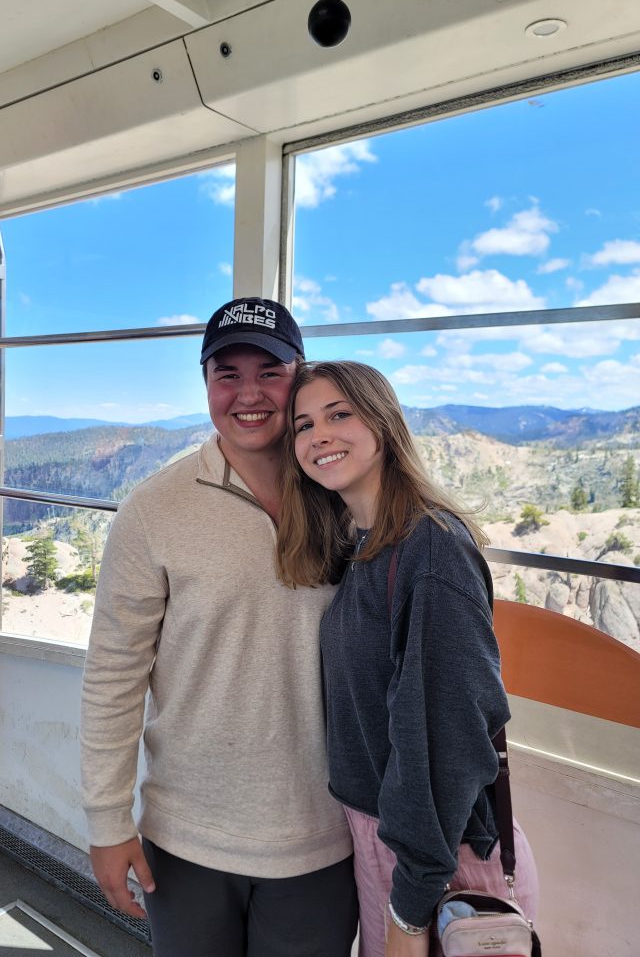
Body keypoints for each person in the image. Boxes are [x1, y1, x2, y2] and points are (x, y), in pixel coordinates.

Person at [80, 299, 358, 957]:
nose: (249, 393)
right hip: (187, 840)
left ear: (302, 376)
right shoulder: (155, 509)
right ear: (205, 383)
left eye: (271, 371)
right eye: (226, 373)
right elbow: (114, 675)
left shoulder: (344, 495)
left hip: (323, 835)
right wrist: (107, 822)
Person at [276, 361, 539, 957]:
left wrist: (410, 911)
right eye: (304, 424)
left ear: (383, 422)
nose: (319, 435)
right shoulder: (365, 543)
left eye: (340, 414)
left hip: (441, 864)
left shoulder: (431, 550)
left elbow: (446, 739)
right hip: (392, 843)